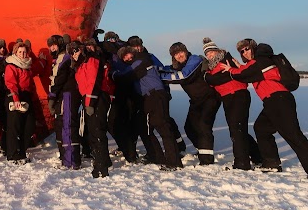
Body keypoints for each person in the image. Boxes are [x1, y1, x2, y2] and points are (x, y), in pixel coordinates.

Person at [222, 40, 308, 182]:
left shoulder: (261, 60)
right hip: (272, 102)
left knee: (294, 136)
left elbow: (243, 74)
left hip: (279, 101)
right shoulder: (258, 63)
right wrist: (240, 68)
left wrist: (231, 70)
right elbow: (249, 72)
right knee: (261, 128)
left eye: (247, 49)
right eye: (242, 51)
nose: (245, 52)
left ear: (253, 48)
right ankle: (271, 163)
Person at [202, 37, 262, 170]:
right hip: (228, 97)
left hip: (238, 95)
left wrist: (209, 77)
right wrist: (209, 77)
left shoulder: (226, 59)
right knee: (237, 129)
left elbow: (221, 78)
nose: (209, 55)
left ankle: (242, 162)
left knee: (237, 129)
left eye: (211, 52)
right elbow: (213, 80)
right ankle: (258, 156)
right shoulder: (212, 67)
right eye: (207, 54)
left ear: (217, 51)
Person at [121, 42, 183, 171]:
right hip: (148, 98)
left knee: (163, 127)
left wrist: (114, 74)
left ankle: (174, 162)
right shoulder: (135, 63)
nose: (127, 57)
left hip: (156, 95)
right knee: (144, 128)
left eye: (127, 54)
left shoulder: (141, 59)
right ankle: (157, 157)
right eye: (124, 57)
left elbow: (127, 77)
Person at [160, 42, 222, 165]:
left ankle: (207, 160)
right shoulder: (178, 66)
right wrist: (154, 70)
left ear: (186, 51)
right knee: (189, 127)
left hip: (210, 97)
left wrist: (160, 77)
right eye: (176, 54)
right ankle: (202, 150)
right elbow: (168, 69)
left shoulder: (195, 60)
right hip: (196, 101)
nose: (179, 55)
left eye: (181, 52)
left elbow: (184, 76)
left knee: (204, 125)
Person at [71, 40, 114, 177]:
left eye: (76, 50)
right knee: (94, 131)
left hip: (96, 97)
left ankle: (101, 167)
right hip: (90, 97)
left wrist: (90, 102)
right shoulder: (82, 64)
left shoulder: (92, 60)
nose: (75, 54)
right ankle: (104, 160)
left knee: (97, 131)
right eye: (72, 52)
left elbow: (93, 81)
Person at [46, 35, 81, 170]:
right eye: (50, 45)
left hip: (67, 94)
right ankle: (69, 158)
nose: (52, 48)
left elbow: (57, 78)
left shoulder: (63, 57)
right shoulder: (63, 58)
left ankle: (70, 161)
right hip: (67, 94)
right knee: (65, 125)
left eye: (54, 45)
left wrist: (52, 96)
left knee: (67, 125)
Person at [4, 41, 36, 164]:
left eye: (24, 52)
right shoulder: (11, 66)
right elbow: (11, 83)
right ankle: (13, 154)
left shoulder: (27, 66)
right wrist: (15, 99)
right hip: (15, 96)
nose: (22, 54)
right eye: (20, 52)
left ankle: (21, 151)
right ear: (15, 53)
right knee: (14, 126)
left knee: (29, 125)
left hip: (26, 96)